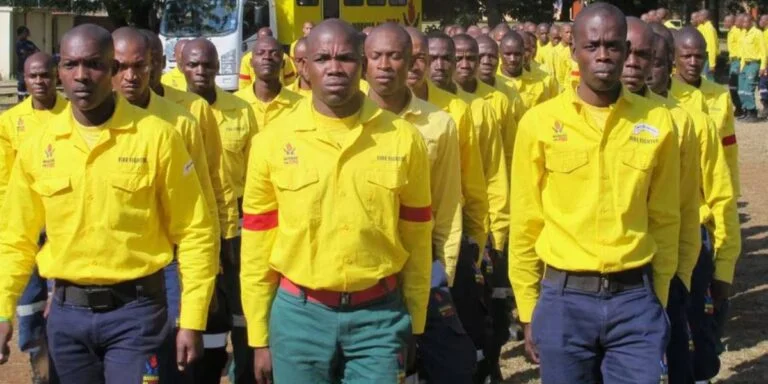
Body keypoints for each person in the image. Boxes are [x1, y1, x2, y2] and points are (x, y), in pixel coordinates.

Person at [0, 23, 217, 383]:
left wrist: (191, 318)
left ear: (113, 71)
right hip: (67, 320)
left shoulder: (157, 138)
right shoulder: (39, 146)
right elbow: (15, 238)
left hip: (138, 316)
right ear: (59, 72)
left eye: (94, 64)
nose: (81, 76)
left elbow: (195, 231)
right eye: (70, 65)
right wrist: (3, 310)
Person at [240, 19, 432, 384]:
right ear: (303, 67)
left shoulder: (403, 139)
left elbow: (417, 238)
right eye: (322, 58)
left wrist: (416, 322)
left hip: (379, 320)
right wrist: (259, 336)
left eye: (345, 58)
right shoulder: (272, 141)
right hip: (298, 320)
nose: (334, 68)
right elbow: (256, 246)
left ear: (361, 63)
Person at [508, 4, 679, 383]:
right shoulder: (538, 123)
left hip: (636, 301)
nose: (604, 56)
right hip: (563, 301)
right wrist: (527, 307)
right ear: (573, 50)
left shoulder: (657, 122)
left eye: (614, 46)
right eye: (593, 45)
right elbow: (525, 222)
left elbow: (666, 219)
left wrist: (660, 301)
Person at [363, 22, 473, 384]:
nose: (386, 65)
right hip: (368, 265)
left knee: (453, 366)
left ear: (412, 63)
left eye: (397, 56)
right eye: (376, 56)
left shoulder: (439, 123)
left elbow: (446, 204)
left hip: (424, 263)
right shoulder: (349, 117)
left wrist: (445, 269)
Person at [647, 22, 742, 384]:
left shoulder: (697, 121)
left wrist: (725, 261)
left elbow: (722, 190)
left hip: (689, 239)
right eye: (637, 58)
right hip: (638, 245)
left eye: (654, 60)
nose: (642, 68)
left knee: (694, 331)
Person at [622, 18, 702, 383]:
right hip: (606, 274)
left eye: (648, 57)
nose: (636, 65)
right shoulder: (581, 117)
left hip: (661, 268)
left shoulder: (677, 120)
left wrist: (680, 273)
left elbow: (686, 207)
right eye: (629, 53)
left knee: (671, 359)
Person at [180, 38, 258, 384]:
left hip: (239, 225)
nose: (201, 71)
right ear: (182, 66)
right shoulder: (177, 114)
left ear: (218, 67)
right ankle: (206, 374)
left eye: (208, 65)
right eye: (194, 64)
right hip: (196, 228)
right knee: (207, 310)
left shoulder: (241, 110)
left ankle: (244, 371)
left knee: (244, 308)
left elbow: (257, 170)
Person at [452, 33, 513, 384]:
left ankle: (490, 362)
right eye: (452, 57)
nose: (460, 65)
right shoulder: (432, 108)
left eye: (466, 59)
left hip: (483, 221)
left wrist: (498, 227)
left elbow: (496, 171)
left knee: (491, 302)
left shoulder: (488, 106)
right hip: (443, 224)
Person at [405, 27, 489, 284]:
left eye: (420, 57)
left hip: (439, 237)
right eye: (402, 55)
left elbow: (472, 185)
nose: (411, 65)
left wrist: (479, 242)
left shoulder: (454, 112)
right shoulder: (369, 111)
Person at [0, 52, 64, 384]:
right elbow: (5, 180)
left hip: (62, 226)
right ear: (24, 80)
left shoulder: (73, 114)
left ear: (57, 77)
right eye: (33, 76)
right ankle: (38, 362)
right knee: (29, 302)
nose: (39, 81)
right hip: (26, 225)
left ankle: (62, 359)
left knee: (62, 301)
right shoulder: (10, 122)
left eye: (45, 75)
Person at [670, 27, 742, 197]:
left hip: (709, 189)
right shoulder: (664, 95)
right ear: (673, 58)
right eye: (687, 56)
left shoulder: (720, 95)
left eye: (699, 56)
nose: (694, 63)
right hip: (675, 191)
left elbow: (729, 146)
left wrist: (732, 187)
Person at [475, 34, 526, 166]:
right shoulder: (459, 94)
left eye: (492, 56)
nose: (486, 61)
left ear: (498, 58)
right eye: (480, 57)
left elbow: (517, 139)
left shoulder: (510, 92)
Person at [498, 31, 555, 110]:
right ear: (500, 53)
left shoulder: (539, 83)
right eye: (508, 54)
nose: (512, 59)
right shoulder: (493, 81)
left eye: (517, 54)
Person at [735, 16, 766, 122]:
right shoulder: (744, 33)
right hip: (745, 64)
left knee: (749, 88)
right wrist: (741, 65)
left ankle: (753, 113)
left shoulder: (757, 33)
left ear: (751, 22)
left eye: (745, 22)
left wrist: (762, 67)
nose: (743, 24)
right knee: (741, 90)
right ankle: (746, 111)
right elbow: (743, 52)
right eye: (742, 22)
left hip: (754, 64)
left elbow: (763, 52)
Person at [724, 14, 744, 117]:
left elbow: (742, 46)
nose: (724, 23)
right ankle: (738, 107)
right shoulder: (731, 32)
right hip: (733, 61)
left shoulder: (737, 32)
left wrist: (740, 62)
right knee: (732, 86)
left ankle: (740, 107)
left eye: (726, 21)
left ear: (731, 21)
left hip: (738, 61)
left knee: (735, 85)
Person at [15, 26, 39, 102]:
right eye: (25, 32)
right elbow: (23, 53)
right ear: (20, 34)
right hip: (22, 67)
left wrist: (31, 52)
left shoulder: (30, 43)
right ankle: (20, 100)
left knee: (29, 83)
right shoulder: (18, 43)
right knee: (21, 83)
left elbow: (38, 51)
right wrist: (31, 52)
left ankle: (29, 100)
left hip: (31, 67)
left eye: (27, 32)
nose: (27, 34)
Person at [696, 10, 719, 80]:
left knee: (708, 78)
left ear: (704, 17)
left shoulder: (709, 29)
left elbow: (712, 47)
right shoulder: (702, 27)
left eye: (699, 16)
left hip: (708, 58)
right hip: (702, 56)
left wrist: (712, 64)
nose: (697, 18)